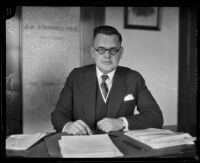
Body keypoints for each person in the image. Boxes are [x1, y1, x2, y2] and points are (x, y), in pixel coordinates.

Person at [51, 25, 163, 135]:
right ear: (93, 52)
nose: (107, 55)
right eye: (101, 49)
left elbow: (156, 117)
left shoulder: (133, 78)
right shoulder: (76, 76)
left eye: (113, 50)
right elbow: (58, 114)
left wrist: (122, 123)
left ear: (121, 52)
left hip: (120, 147)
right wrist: (68, 125)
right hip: (82, 145)